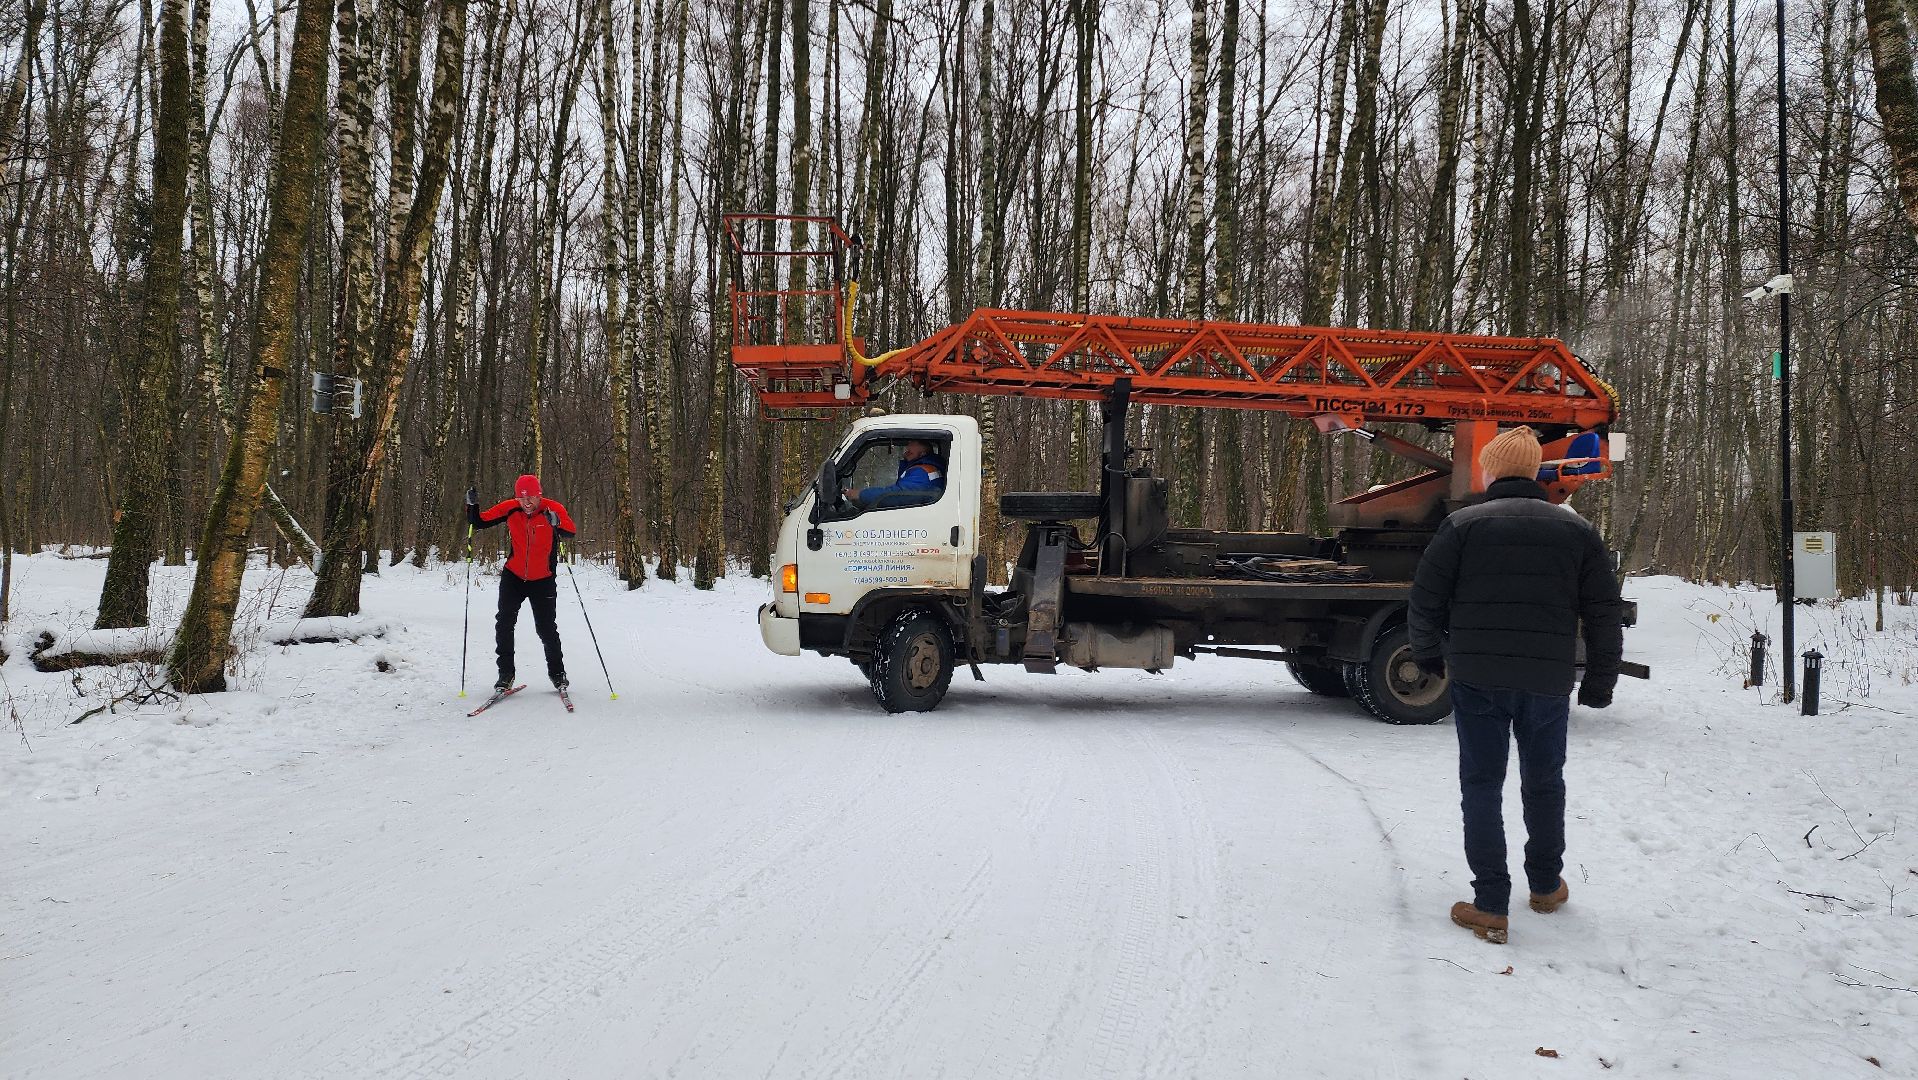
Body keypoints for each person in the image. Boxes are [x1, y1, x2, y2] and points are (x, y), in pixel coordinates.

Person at [1407, 425, 1624, 945]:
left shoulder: (1461, 526)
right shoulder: (1577, 532)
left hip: (1479, 680)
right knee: (1545, 783)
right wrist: (1599, 680)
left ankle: (1490, 904)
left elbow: (1425, 601)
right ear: (1534, 472)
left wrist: (1429, 656)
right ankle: (1546, 886)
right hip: (1547, 682)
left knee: (1481, 786)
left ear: (1492, 470)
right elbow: (1603, 614)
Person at [467, 474, 577, 693]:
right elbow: (479, 522)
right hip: (514, 576)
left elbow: (570, 532)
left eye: (531, 498)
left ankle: (558, 674)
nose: (526, 503)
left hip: (543, 579)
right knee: (504, 623)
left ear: (539, 495)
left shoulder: (552, 509)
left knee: (546, 629)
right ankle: (505, 674)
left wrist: (557, 522)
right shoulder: (511, 508)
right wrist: (472, 505)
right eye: (521, 498)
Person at [843, 439, 945, 509]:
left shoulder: (921, 471)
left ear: (923, 454)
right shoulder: (928, 467)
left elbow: (898, 495)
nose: (907, 447)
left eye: (910, 451)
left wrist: (860, 495)